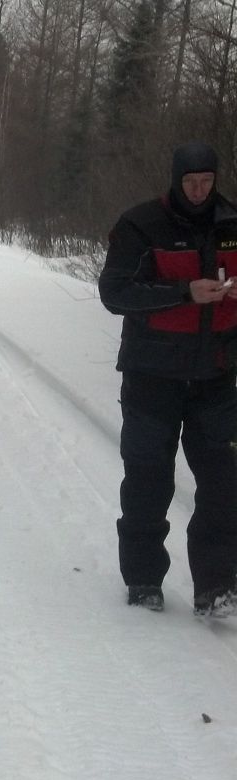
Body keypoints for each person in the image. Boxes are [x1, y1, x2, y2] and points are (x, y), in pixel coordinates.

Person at [98, 141, 237, 618]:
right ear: (175, 180)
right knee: (148, 482)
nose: (199, 191)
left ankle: (216, 589)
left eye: (206, 182)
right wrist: (184, 293)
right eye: (190, 182)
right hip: (151, 379)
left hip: (214, 380)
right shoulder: (142, 225)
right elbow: (115, 292)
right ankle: (143, 580)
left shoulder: (231, 226)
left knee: (224, 485)